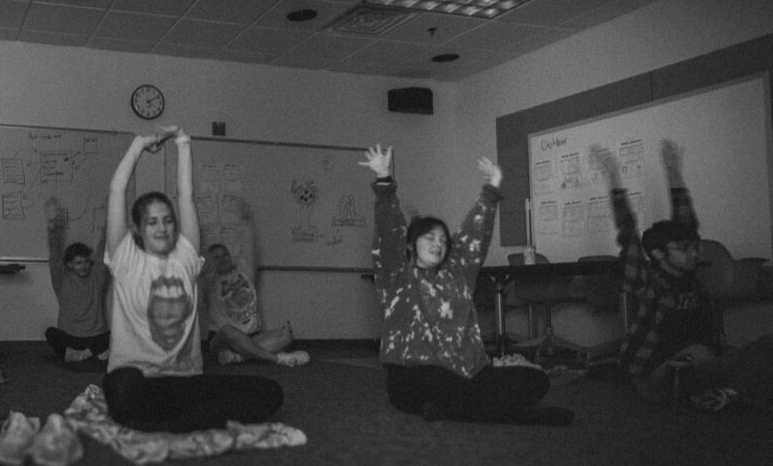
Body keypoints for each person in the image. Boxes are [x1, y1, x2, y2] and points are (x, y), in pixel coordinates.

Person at [359, 144, 574, 426]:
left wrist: (491, 189)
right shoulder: (397, 275)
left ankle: (453, 409)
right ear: (410, 245)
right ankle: (514, 416)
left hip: (463, 374)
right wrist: (384, 181)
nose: (438, 243)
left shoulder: (457, 274)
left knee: (535, 380)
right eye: (429, 238)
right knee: (438, 381)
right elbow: (389, 231)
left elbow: (475, 235)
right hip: (413, 378)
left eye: (442, 240)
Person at [101, 126, 283, 433]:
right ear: (138, 229)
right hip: (138, 380)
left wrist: (182, 140)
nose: (162, 228)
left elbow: (186, 196)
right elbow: (117, 192)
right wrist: (138, 145)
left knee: (270, 392)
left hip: (182, 380)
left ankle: (174, 422)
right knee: (121, 387)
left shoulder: (185, 256)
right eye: (152, 222)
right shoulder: (125, 257)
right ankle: (184, 420)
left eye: (168, 221)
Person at [593, 140, 773, 410]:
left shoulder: (691, 278)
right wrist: (613, 179)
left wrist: (673, 170)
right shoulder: (647, 281)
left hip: (699, 363)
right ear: (658, 254)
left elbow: (685, 221)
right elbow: (628, 233)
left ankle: (723, 394)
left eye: (695, 248)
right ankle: (723, 393)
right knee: (702, 354)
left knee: (760, 349)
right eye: (684, 249)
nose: (694, 254)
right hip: (657, 375)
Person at [200, 242, 309, 367]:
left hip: (250, 337)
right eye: (217, 257)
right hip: (223, 339)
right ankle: (278, 359)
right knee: (226, 329)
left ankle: (238, 356)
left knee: (285, 336)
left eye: (225, 255)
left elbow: (248, 245)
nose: (222, 259)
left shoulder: (245, 272)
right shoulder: (209, 283)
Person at [43, 197, 111, 368]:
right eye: (79, 263)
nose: (84, 266)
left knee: (119, 332)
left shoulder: (96, 277)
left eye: (86, 262)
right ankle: (91, 353)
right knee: (51, 333)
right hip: (71, 337)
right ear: (69, 265)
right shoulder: (62, 280)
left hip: (95, 336)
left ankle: (83, 353)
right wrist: (52, 225)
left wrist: (110, 217)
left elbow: (103, 248)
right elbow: (55, 254)